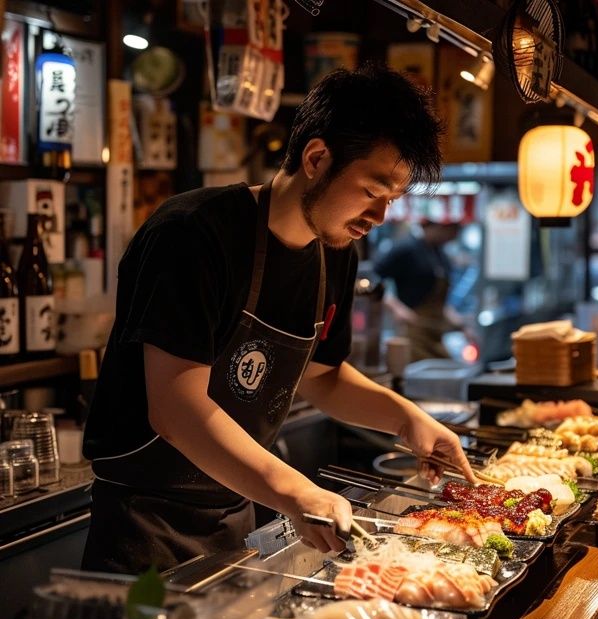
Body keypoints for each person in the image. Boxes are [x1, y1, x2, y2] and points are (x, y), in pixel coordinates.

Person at [81, 64, 477, 575]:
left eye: (392, 201)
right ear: (317, 158)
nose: (379, 218)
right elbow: (175, 410)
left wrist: (409, 420)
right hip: (143, 527)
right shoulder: (194, 234)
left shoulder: (335, 252)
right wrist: (297, 492)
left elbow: (323, 377)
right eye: (372, 191)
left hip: (235, 515)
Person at [374, 217, 466, 361]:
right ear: (437, 227)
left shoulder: (441, 255)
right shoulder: (407, 248)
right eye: (451, 231)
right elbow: (373, 278)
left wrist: (458, 321)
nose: (452, 237)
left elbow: (437, 298)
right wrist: (396, 307)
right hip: (413, 329)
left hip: (435, 331)